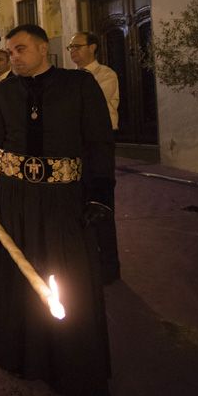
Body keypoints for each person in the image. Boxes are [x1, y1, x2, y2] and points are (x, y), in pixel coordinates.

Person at [0, 24, 116, 396]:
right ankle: (25, 358)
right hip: (15, 200)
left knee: (72, 280)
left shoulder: (79, 86)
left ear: (43, 49)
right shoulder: (4, 91)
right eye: (10, 51)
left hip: (63, 200)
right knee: (21, 278)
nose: (13, 57)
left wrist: (100, 196)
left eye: (20, 49)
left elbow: (99, 142)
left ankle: (84, 378)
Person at [68, 31, 121, 282]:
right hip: (77, 144)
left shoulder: (106, 75)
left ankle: (110, 267)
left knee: (102, 201)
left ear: (93, 47)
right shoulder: (71, 78)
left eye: (77, 46)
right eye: (70, 47)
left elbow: (90, 104)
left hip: (99, 144)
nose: (72, 51)